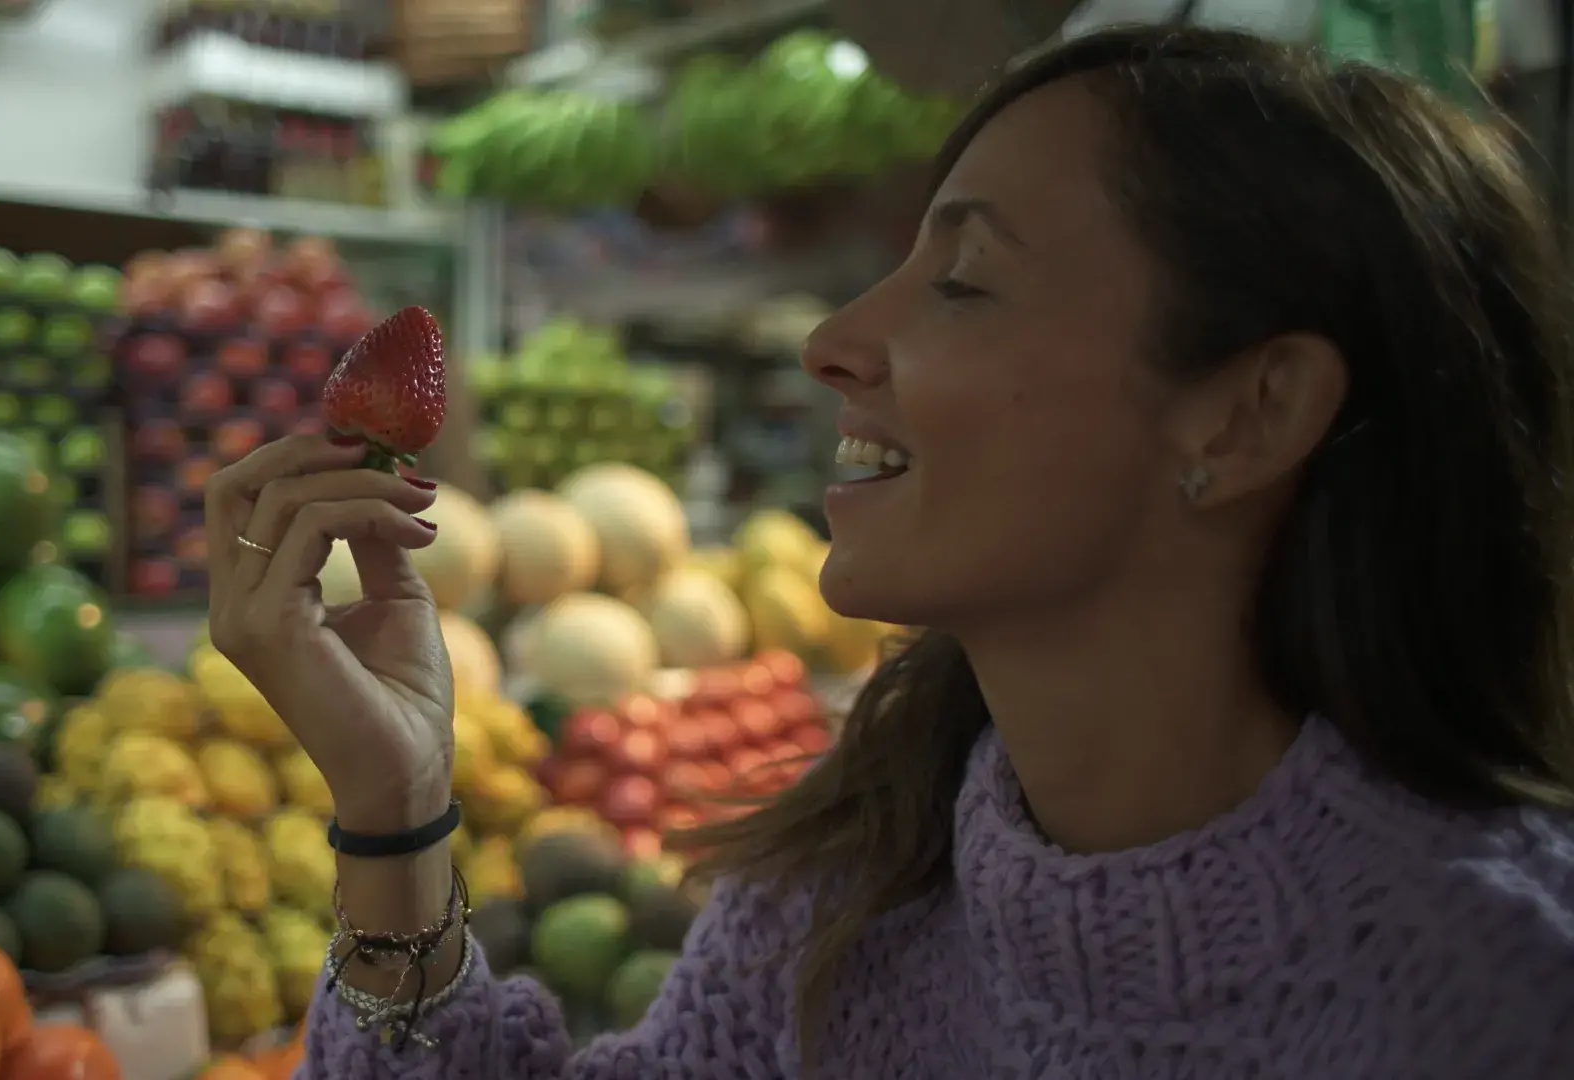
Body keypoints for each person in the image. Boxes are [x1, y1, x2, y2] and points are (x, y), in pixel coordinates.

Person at [204, 25, 1574, 1080]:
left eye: (964, 280)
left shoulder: (1496, 998)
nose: (829, 341)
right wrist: (396, 807)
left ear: (1252, 410)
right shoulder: (835, 906)